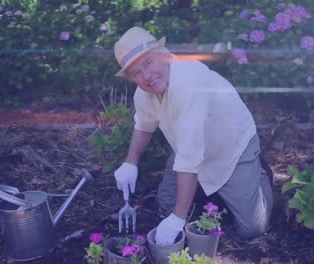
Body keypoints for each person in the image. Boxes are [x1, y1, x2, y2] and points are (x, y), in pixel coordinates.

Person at [113, 26, 273, 246]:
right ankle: (203, 193)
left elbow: (189, 160)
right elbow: (144, 124)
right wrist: (130, 163)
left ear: (164, 55)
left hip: (230, 149)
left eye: (148, 63)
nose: (146, 76)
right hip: (189, 150)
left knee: (252, 228)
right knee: (166, 208)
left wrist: (178, 219)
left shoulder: (190, 85)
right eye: (136, 73)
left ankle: (258, 173)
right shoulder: (144, 93)